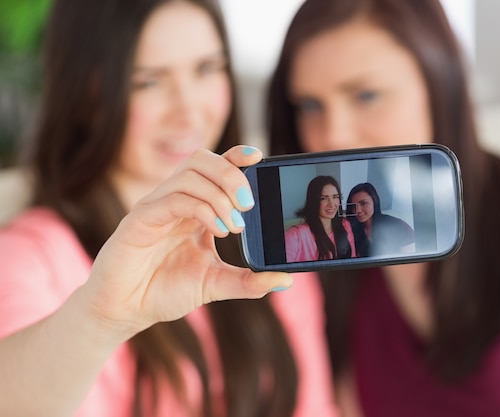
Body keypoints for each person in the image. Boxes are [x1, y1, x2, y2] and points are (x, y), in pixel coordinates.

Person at [267, 0, 500, 416]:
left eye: (366, 95)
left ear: (441, 85)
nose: (332, 134)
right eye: (310, 105)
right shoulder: (333, 253)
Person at [0, 1, 339, 416]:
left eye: (206, 69)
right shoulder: (32, 257)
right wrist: (101, 317)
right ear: (86, 95)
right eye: (147, 82)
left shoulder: (266, 237)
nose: (189, 110)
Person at [285, 175, 356, 262]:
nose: (331, 204)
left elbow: (353, 259)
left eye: (335, 197)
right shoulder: (294, 235)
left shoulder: (345, 224)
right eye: (324, 198)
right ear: (313, 201)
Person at [347, 182, 414, 257]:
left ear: (375, 202)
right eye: (353, 206)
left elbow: (408, 260)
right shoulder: (351, 230)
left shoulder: (398, 226)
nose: (358, 210)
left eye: (363, 203)